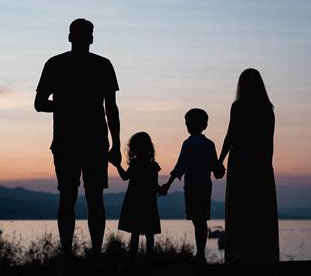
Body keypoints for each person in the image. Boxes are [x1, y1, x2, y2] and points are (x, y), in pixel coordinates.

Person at [34, 18, 121, 263]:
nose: (86, 38)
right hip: (83, 142)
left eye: (87, 34)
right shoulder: (100, 65)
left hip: (76, 141)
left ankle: (72, 256)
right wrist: (115, 143)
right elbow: (111, 109)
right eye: (86, 34)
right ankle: (88, 255)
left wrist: (115, 143)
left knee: (72, 197)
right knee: (89, 198)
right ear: (82, 37)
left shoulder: (57, 64)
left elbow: (40, 104)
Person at [219, 68, 279, 264]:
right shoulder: (267, 110)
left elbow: (231, 136)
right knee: (260, 207)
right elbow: (269, 142)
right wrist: (267, 166)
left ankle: (241, 252)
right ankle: (261, 251)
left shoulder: (238, 107)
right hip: (261, 164)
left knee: (240, 206)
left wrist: (219, 161)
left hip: (241, 162)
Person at [160, 108, 224, 265]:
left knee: (197, 220)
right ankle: (201, 253)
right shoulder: (210, 144)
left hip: (192, 187)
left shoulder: (188, 144)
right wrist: (220, 168)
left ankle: (200, 255)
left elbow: (179, 167)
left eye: (187, 123)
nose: (186, 126)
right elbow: (217, 172)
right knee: (201, 220)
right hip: (205, 186)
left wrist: (167, 186)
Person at [111, 132, 161, 263]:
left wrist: (117, 165)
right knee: (149, 233)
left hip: (135, 201)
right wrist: (162, 189)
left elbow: (125, 177)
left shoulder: (135, 164)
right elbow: (155, 185)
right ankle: (149, 259)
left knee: (135, 232)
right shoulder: (152, 166)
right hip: (149, 202)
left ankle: (133, 259)